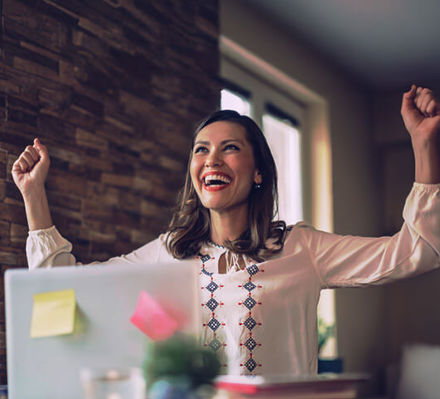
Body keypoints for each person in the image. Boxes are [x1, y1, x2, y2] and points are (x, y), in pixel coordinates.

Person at [12, 85, 440, 376]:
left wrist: (423, 144)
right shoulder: (169, 253)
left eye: (229, 148)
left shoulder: (301, 247)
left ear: (257, 173)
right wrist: (34, 196)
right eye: (201, 150)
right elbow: (65, 287)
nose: (211, 160)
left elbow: (415, 251)